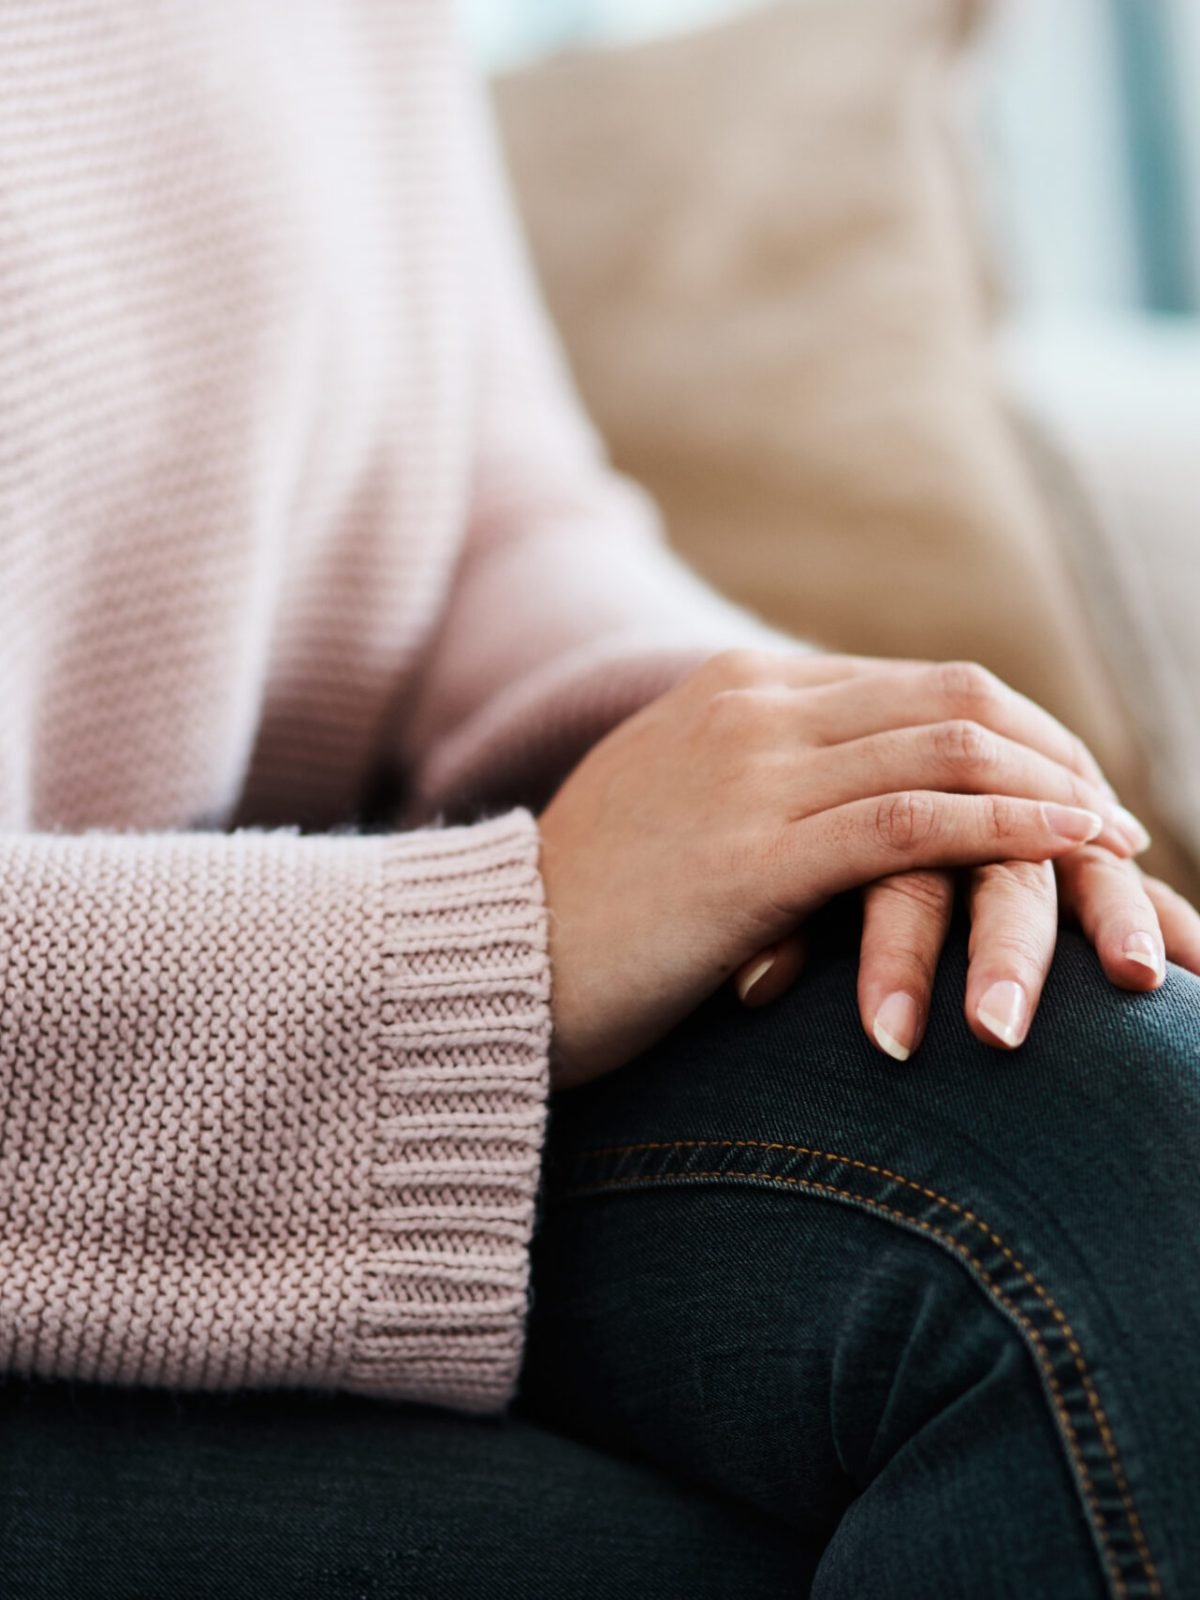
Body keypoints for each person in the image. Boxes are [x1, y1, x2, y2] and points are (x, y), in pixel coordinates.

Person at [1, 5, 1197, 1597]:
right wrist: (512, 936)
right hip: (165, 1074)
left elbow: (483, 511)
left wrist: (814, 771)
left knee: (1144, 1163)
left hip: (268, 1023)